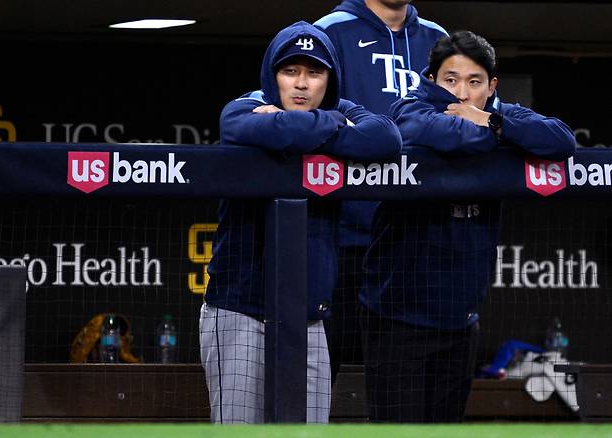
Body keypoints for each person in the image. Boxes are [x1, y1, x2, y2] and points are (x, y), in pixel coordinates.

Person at [359, 30, 576, 423]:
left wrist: (493, 120)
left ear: (492, 86)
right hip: (397, 320)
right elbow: (452, 134)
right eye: (451, 80)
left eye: (474, 82)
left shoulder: (501, 113)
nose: (461, 93)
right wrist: (495, 130)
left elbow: (561, 140)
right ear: (431, 81)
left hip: (460, 323)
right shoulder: (410, 109)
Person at [199, 21, 402, 424]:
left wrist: (305, 127)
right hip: (240, 311)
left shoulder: (344, 110)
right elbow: (239, 125)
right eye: (290, 71)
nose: (302, 84)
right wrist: (330, 128)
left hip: (310, 318)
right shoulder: (245, 106)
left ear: (330, 79)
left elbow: (386, 138)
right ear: (273, 75)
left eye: (314, 72)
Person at [315, 0, 448, 385]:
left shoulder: (436, 38)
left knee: (403, 390)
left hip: (414, 246)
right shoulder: (331, 31)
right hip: (343, 242)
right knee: (316, 382)